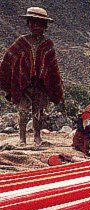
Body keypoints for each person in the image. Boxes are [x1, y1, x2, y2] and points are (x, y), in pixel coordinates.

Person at [0, 7, 64, 146]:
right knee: (22, 111)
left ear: (45, 26)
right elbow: (9, 59)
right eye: (33, 23)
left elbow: (52, 67)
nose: (36, 26)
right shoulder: (21, 42)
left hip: (40, 85)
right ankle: (22, 138)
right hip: (23, 84)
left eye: (40, 24)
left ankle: (37, 137)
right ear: (28, 24)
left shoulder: (48, 44)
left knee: (39, 112)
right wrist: (10, 77)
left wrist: (54, 84)